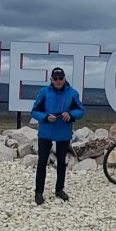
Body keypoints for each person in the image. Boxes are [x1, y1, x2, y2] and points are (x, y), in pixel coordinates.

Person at [30, 67, 85, 205]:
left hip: (63, 132)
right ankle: (38, 192)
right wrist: (45, 117)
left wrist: (71, 114)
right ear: (51, 80)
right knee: (42, 162)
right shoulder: (44, 92)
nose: (58, 81)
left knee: (61, 162)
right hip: (46, 131)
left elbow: (80, 110)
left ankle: (59, 189)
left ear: (65, 79)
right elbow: (34, 111)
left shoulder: (72, 93)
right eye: (55, 78)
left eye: (60, 78)